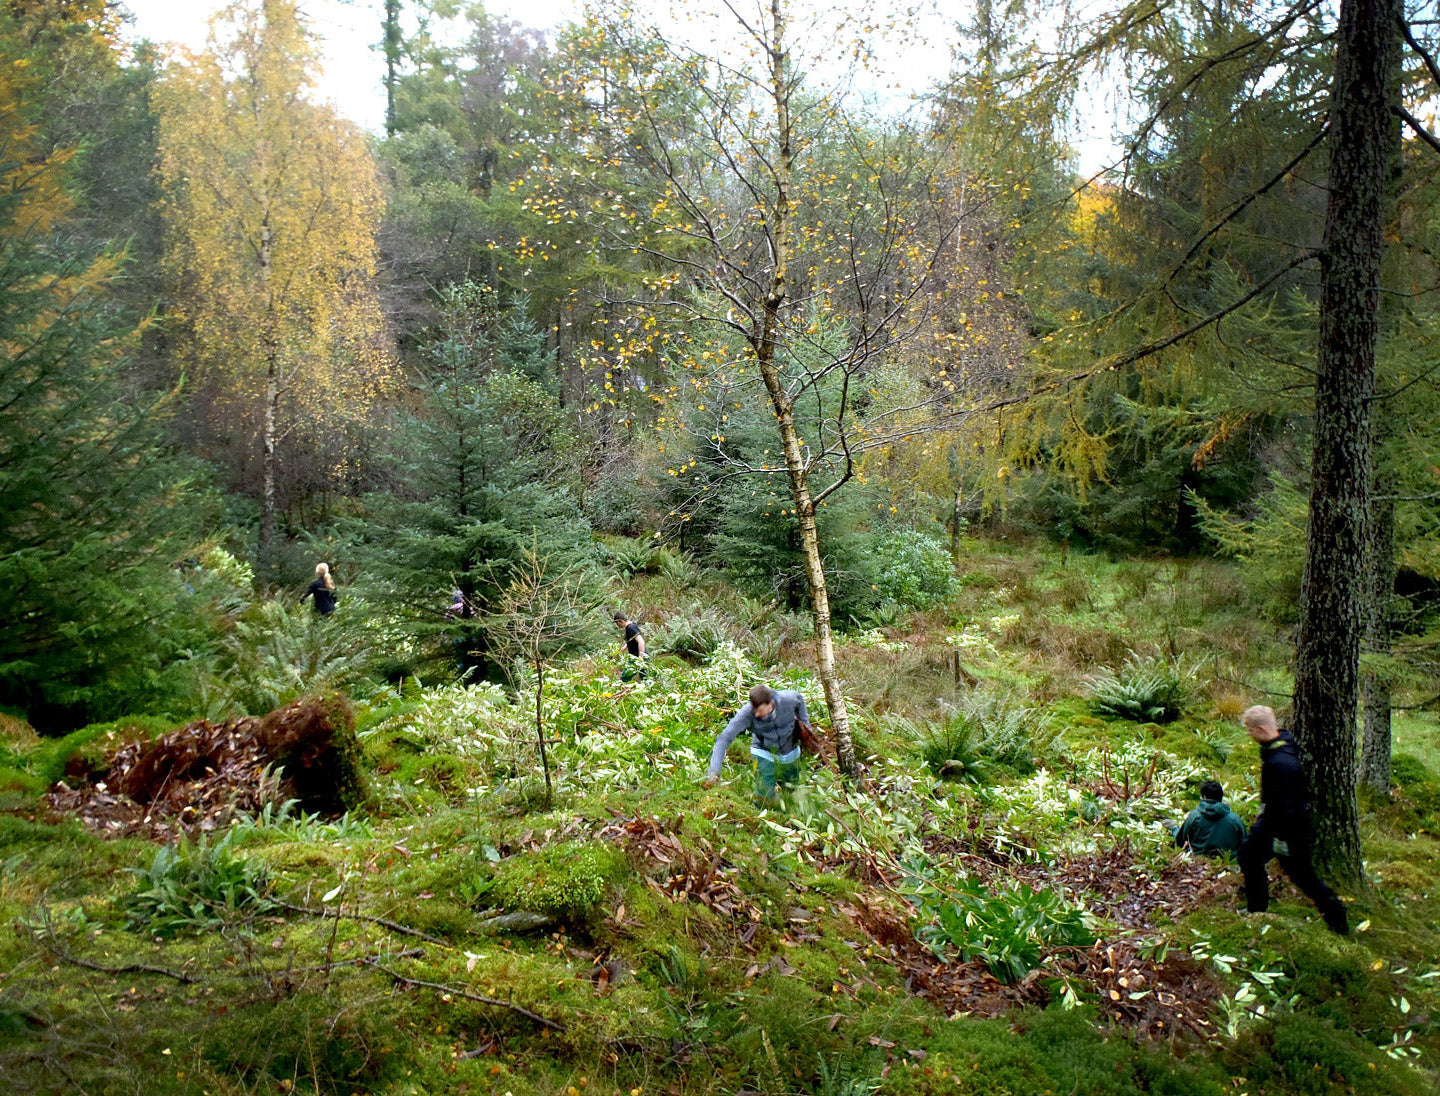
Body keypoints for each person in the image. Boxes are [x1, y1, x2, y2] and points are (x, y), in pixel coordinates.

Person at [1237, 705, 1348, 934]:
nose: (1249, 735)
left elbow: (1289, 807)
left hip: (1289, 831)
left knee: (1304, 877)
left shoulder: (1282, 762)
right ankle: (1257, 909)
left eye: (1250, 730)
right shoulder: (1279, 748)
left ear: (1260, 728)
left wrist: (1282, 839)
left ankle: (1338, 921)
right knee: (1249, 855)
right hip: (1272, 825)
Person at [704, 683, 809, 805]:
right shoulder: (748, 713)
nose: (756, 714)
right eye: (755, 710)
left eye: (759, 710)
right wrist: (714, 770)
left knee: (792, 793)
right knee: (764, 798)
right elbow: (724, 738)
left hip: (790, 751)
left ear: (770, 704)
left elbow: (799, 699)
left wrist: (805, 725)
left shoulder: (788, 699)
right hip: (763, 752)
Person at [1174, 779, 1247, 857]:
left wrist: (1174, 828)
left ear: (1204, 797)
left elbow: (1180, 842)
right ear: (1221, 797)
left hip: (1198, 862)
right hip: (1228, 863)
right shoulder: (1235, 819)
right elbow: (1246, 845)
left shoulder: (1194, 816)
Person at [613, 610, 647, 681]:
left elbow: (641, 642)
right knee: (645, 679)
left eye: (617, 623)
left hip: (637, 657)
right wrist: (625, 647)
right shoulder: (632, 625)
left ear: (621, 621)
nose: (617, 625)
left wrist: (640, 657)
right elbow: (633, 640)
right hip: (639, 657)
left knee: (625, 677)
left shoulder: (630, 628)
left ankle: (620, 689)